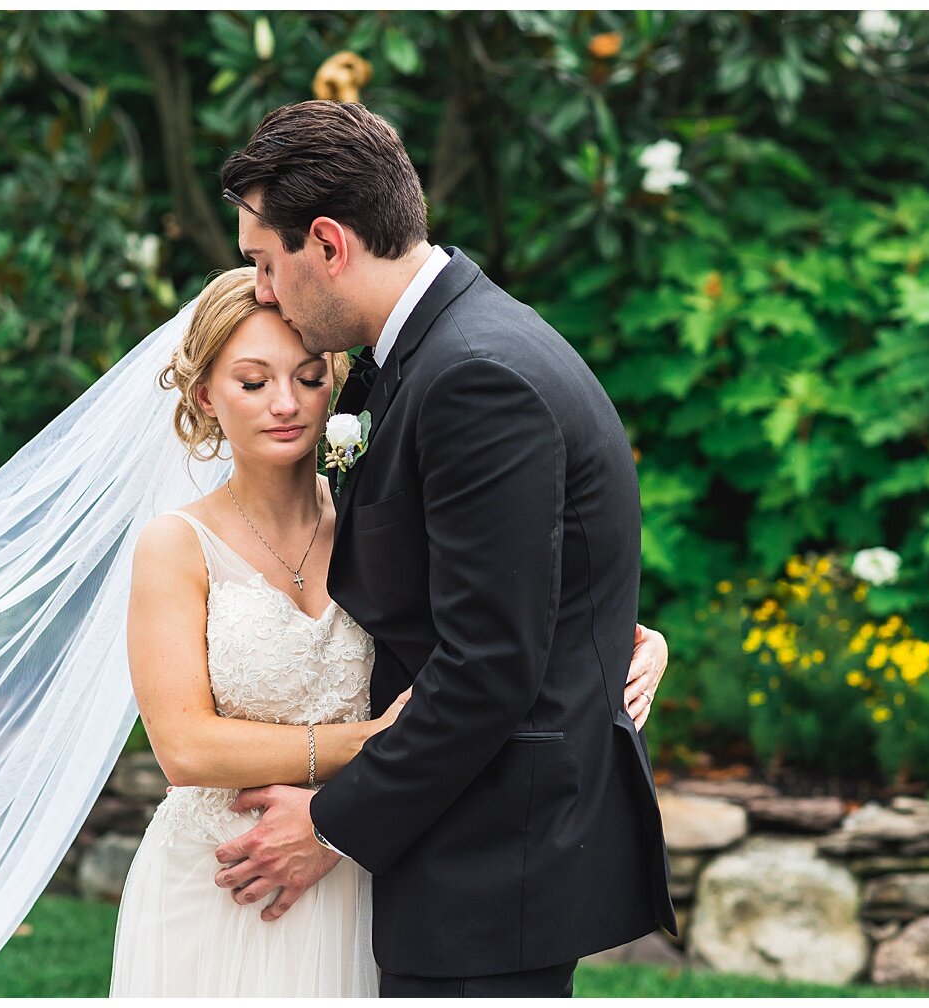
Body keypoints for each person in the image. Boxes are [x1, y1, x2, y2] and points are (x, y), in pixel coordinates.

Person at [212, 101, 677, 998]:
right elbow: (505, 583)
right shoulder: (455, 347)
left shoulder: (473, 376)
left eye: (264, 264)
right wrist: (608, 629)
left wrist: (332, 826)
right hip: (476, 848)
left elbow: (489, 664)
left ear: (328, 243)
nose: (263, 291)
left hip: (490, 861)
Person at [108, 267, 669, 996]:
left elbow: (499, 613)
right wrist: (366, 743)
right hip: (226, 868)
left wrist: (624, 635)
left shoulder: (373, 514)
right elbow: (183, 746)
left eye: (310, 379)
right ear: (204, 396)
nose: (287, 404)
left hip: (362, 866)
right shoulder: (174, 543)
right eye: (253, 383)